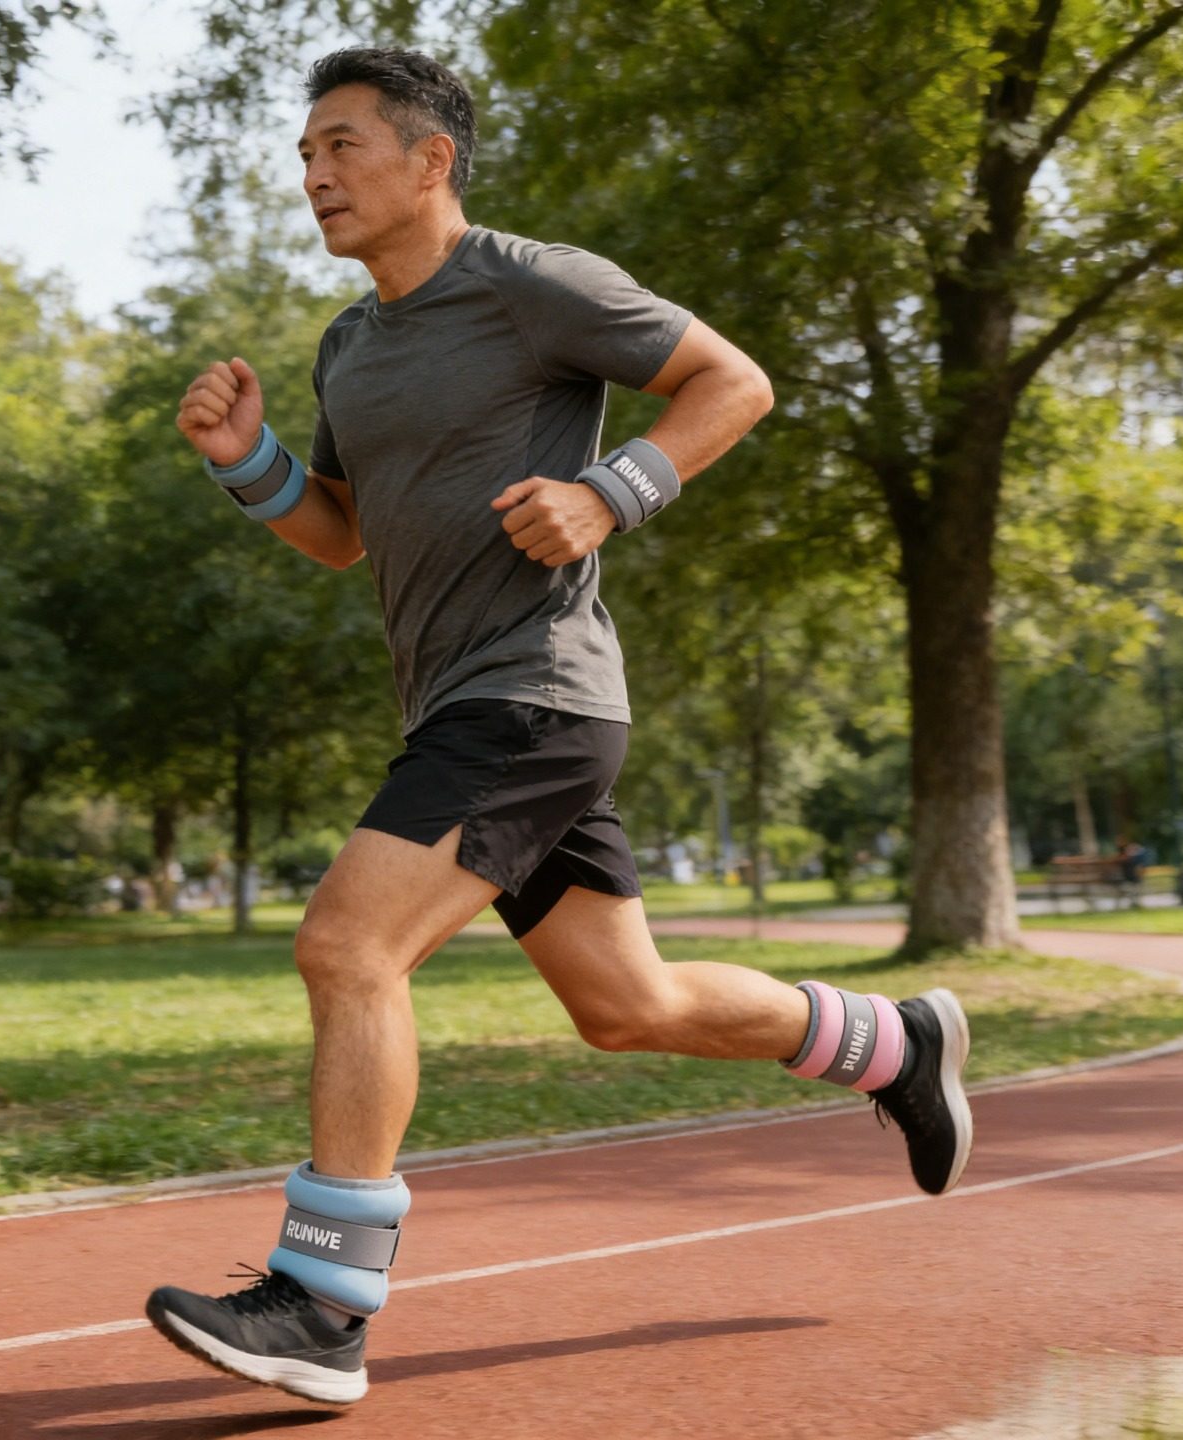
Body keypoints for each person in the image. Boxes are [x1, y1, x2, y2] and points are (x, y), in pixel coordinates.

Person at [146, 47, 973, 1407]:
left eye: (343, 146)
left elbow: (734, 383)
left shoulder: (532, 284)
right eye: (305, 155)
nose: (314, 176)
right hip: (480, 703)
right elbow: (346, 537)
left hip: (529, 695)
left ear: (431, 160)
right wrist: (249, 467)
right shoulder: (349, 343)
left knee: (348, 946)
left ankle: (325, 1302)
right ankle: (893, 1044)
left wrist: (611, 493)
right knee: (626, 1007)